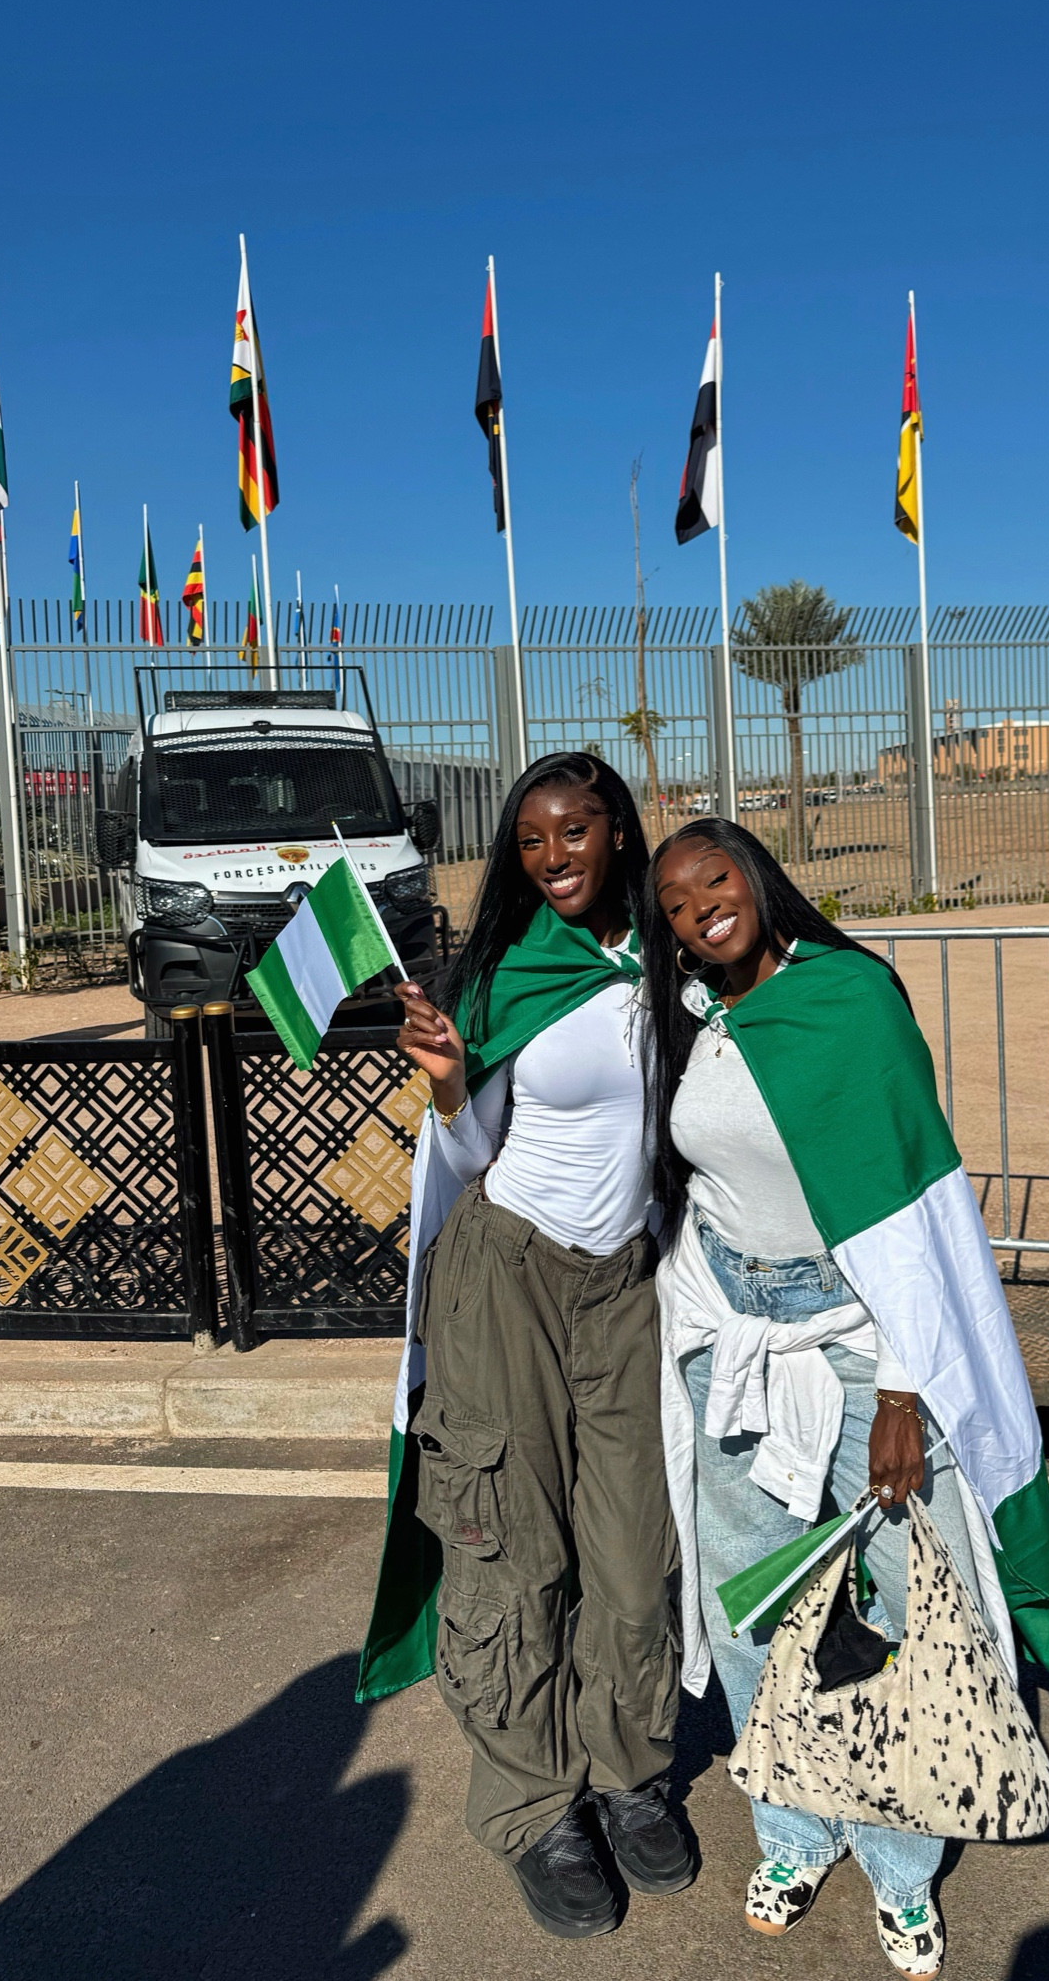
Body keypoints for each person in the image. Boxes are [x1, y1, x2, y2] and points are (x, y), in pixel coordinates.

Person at [638, 818, 1049, 1979]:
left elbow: (915, 1206)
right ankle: (796, 1832)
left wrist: (907, 1383)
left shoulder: (852, 997)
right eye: (673, 900)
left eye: (716, 879)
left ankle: (902, 1864)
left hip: (864, 1342)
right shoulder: (686, 1021)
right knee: (753, 1603)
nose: (700, 905)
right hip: (737, 1338)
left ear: (757, 880)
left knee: (908, 1610)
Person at [356, 753, 693, 1941]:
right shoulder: (507, 972)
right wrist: (451, 1084)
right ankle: (535, 1800)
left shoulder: (672, 955)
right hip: (507, 1278)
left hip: (628, 1289)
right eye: (534, 839)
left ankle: (628, 1767)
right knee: (511, 1544)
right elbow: (470, 1146)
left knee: (635, 1548)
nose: (555, 857)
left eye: (577, 832)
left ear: (620, 833)